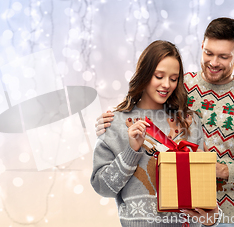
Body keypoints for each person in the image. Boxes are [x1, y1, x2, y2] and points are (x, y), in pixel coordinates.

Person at [95, 18, 234, 227]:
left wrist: (221, 170)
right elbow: (145, 105)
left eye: (223, 56)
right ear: (202, 45)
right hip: (177, 212)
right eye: (208, 53)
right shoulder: (182, 85)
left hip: (226, 215)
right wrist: (109, 124)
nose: (213, 62)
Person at [90, 40, 222, 227]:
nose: (166, 85)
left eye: (174, 78)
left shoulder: (190, 122)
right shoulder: (115, 123)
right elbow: (102, 187)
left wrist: (212, 218)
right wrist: (131, 152)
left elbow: (201, 190)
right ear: (144, 74)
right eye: (159, 76)